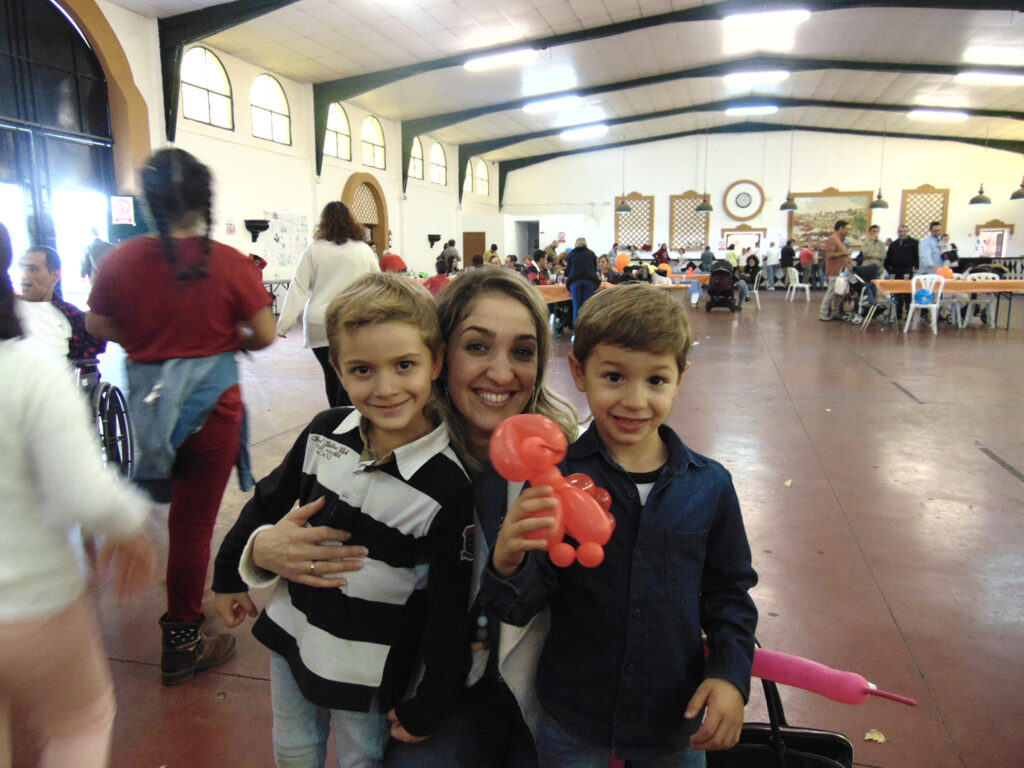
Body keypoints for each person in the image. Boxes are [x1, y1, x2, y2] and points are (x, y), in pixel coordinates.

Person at [234, 268, 578, 768]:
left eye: (523, 351)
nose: (502, 373)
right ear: (441, 356)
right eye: (477, 346)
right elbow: (298, 515)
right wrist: (261, 549)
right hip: (424, 682)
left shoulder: (563, 466)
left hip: (528, 690)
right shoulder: (382, 446)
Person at [482, 283, 758, 768]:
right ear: (579, 372)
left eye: (656, 380)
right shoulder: (555, 482)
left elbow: (729, 593)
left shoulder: (710, 486)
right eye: (613, 376)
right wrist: (507, 561)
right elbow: (520, 606)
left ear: (680, 378)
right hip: (575, 713)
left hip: (673, 715)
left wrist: (731, 674)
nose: (635, 400)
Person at [213, 273, 474, 768]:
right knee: (293, 748)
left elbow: (448, 608)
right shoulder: (325, 431)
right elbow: (268, 500)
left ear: (436, 361)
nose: (385, 388)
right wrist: (229, 571)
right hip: (292, 632)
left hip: (368, 666)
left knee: (360, 759)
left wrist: (432, 699)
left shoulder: (448, 487)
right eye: (362, 369)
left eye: (404, 365)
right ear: (337, 367)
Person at [86, 148, 276, 686]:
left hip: (151, 410)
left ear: (149, 204)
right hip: (212, 413)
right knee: (192, 525)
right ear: (205, 202)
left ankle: (178, 618)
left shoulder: (120, 261)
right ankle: (183, 638)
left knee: (168, 515)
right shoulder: (230, 262)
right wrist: (222, 340)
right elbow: (264, 333)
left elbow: (98, 325)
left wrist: (147, 341)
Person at [0, 222, 157, 768]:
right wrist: (129, 525)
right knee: (81, 721)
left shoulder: (62, 323)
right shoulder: (28, 369)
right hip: (30, 602)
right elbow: (83, 491)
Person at [276, 201, 380, 408]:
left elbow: (298, 288)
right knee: (347, 375)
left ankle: (334, 417)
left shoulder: (313, 249)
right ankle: (343, 420)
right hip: (352, 321)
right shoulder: (364, 250)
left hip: (319, 323)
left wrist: (284, 324)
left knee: (331, 374)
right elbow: (377, 286)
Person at [16, 245, 106, 362]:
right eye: (21, 268)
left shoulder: (71, 316)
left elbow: (96, 342)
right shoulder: (8, 312)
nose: (24, 275)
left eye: (33, 269)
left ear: (54, 277)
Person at [818, 220, 852, 321]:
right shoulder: (832, 239)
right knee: (831, 292)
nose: (847, 231)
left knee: (838, 293)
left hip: (841, 271)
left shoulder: (839, 240)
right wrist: (845, 253)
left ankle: (835, 312)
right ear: (840, 228)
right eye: (846, 229)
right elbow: (830, 255)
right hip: (834, 270)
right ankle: (823, 313)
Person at [565, 236, 600, 326]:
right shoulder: (591, 254)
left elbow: (567, 272)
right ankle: (587, 329)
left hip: (575, 282)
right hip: (589, 281)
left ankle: (577, 331)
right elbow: (594, 270)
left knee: (577, 307)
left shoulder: (571, 254)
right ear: (586, 244)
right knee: (587, 307)